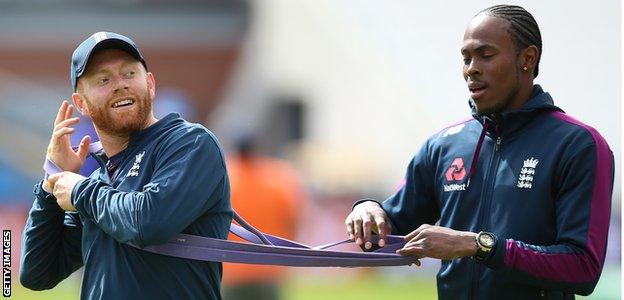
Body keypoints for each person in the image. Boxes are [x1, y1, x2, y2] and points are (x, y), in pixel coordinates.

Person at [345, 5, 614, 299]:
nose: (471, 68)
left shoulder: (578, 144)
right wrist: (369, 210)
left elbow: (582, 268)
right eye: (466, 58)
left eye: (486, 55)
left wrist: (479, 245)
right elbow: (390, 226)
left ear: (527, 58)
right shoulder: (443, 145)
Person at [20, 32, 232, 299]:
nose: (120, 85)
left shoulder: (190, 143)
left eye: (129, 73)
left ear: (150, 84)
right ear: (81, 103)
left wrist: (79, 191)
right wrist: (53, 182)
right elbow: (37, 274)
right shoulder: (99, 180)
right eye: (103, 80)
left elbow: (149, 223)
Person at [222, 135, 303, 300]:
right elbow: (293, 218)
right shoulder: (277, 177)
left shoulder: (226, 178)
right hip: (269, 267)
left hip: (232, 269)